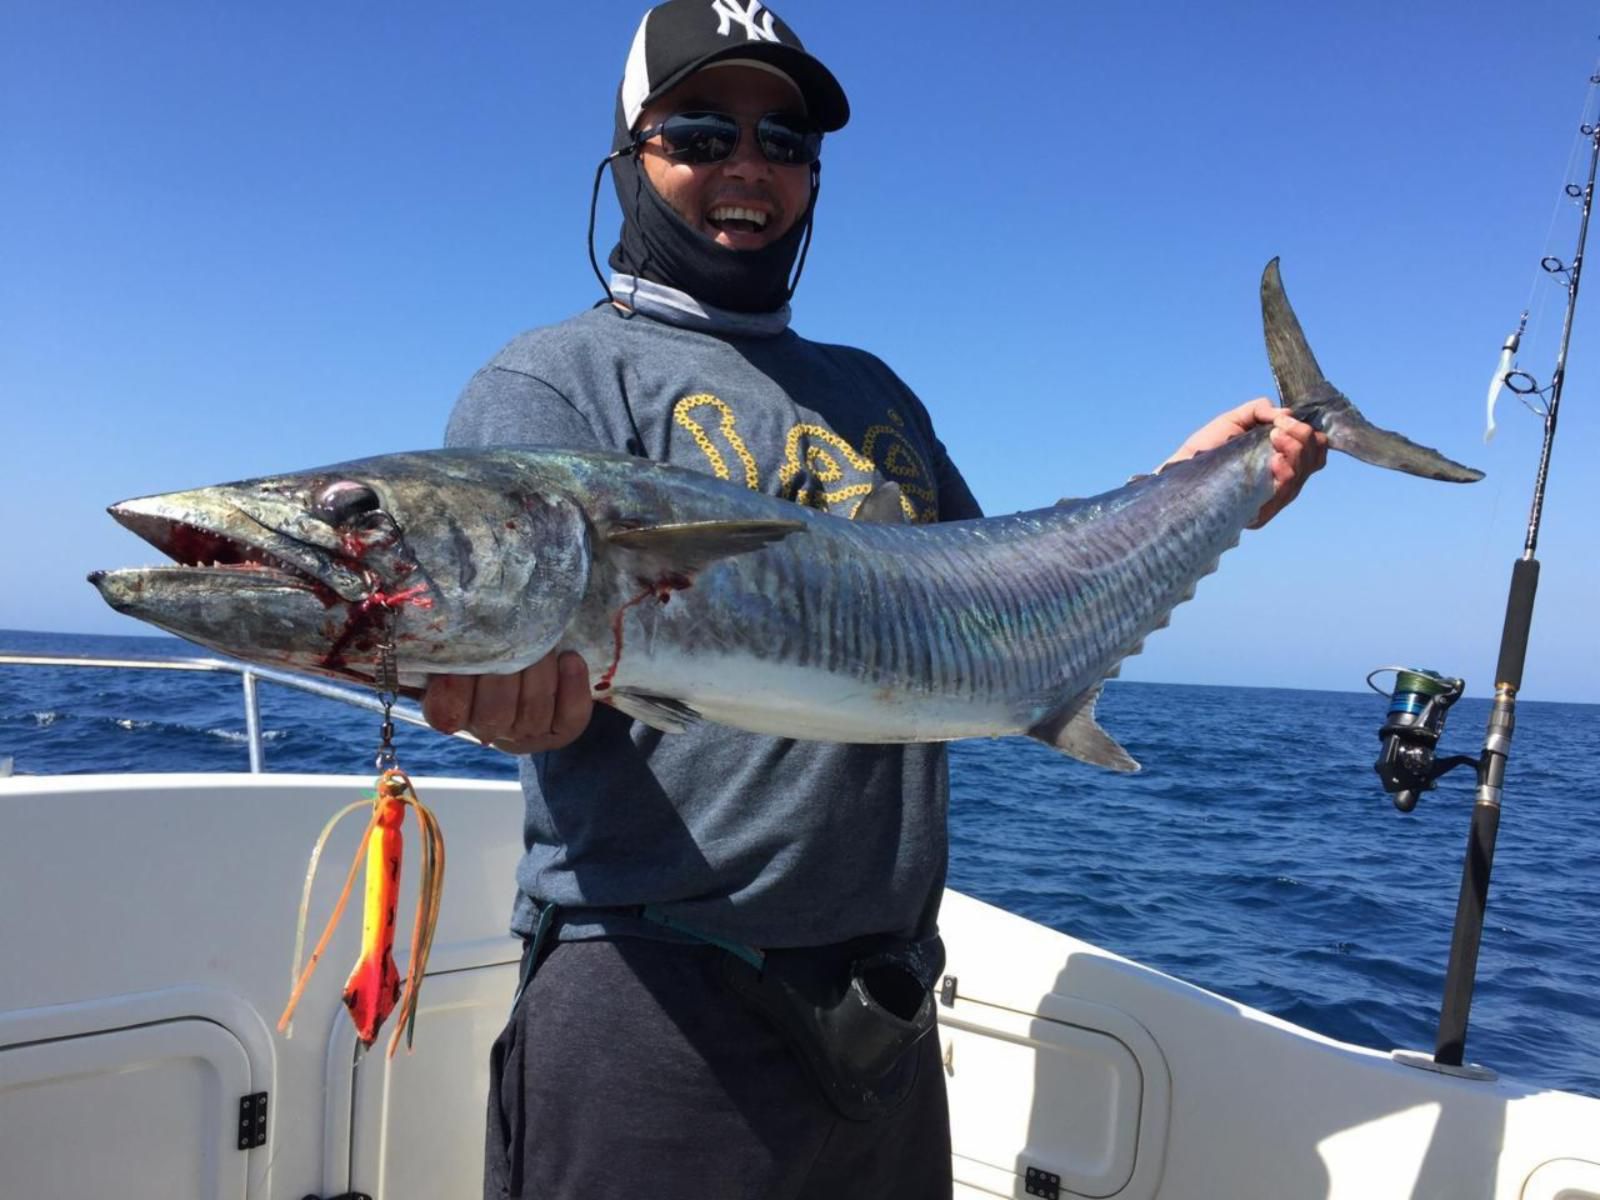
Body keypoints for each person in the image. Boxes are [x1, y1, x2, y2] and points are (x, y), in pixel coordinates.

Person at [423, 3, 1327, 1198]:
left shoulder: (870, 389)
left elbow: (987, 602)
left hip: (882, 1008)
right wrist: (508, 702)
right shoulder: (554, 379)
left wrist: (1194, 490)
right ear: (627, 152)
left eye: (785, 143)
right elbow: (506, 636)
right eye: (701, 132)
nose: (747, 168)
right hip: (655, 994)